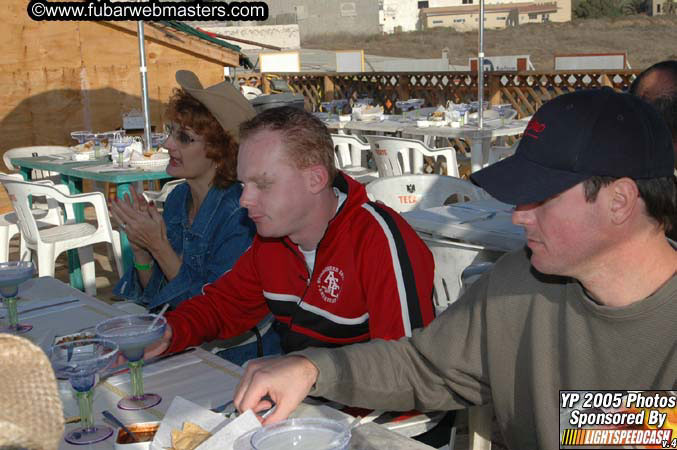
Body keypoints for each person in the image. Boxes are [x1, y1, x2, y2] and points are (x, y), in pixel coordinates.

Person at [232, 88, 677, 450]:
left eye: (541, 198)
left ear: (618, 201)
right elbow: (423, 365)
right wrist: (311, 369)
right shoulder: (518, 281)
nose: (519, 216)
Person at [143, 106, 436, 366]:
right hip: (308, 404)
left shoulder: (377, 239)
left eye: (263, 184)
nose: (245, 200)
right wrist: (168, 333)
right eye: (244, 184)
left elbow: (408, 366)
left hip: (374, 419)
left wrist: (309, 374)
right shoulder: (272, 240)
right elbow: (222, 307)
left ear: (316, 179)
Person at [111, 70, 256, 310]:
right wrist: (141, 252)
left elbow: (210, 311)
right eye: (171, 131)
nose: (167, 144)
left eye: (185, 138)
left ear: (221, 152)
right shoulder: (179, 198)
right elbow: (159, 296)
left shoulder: (240, 214)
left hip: (227, 347)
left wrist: (158, 245)